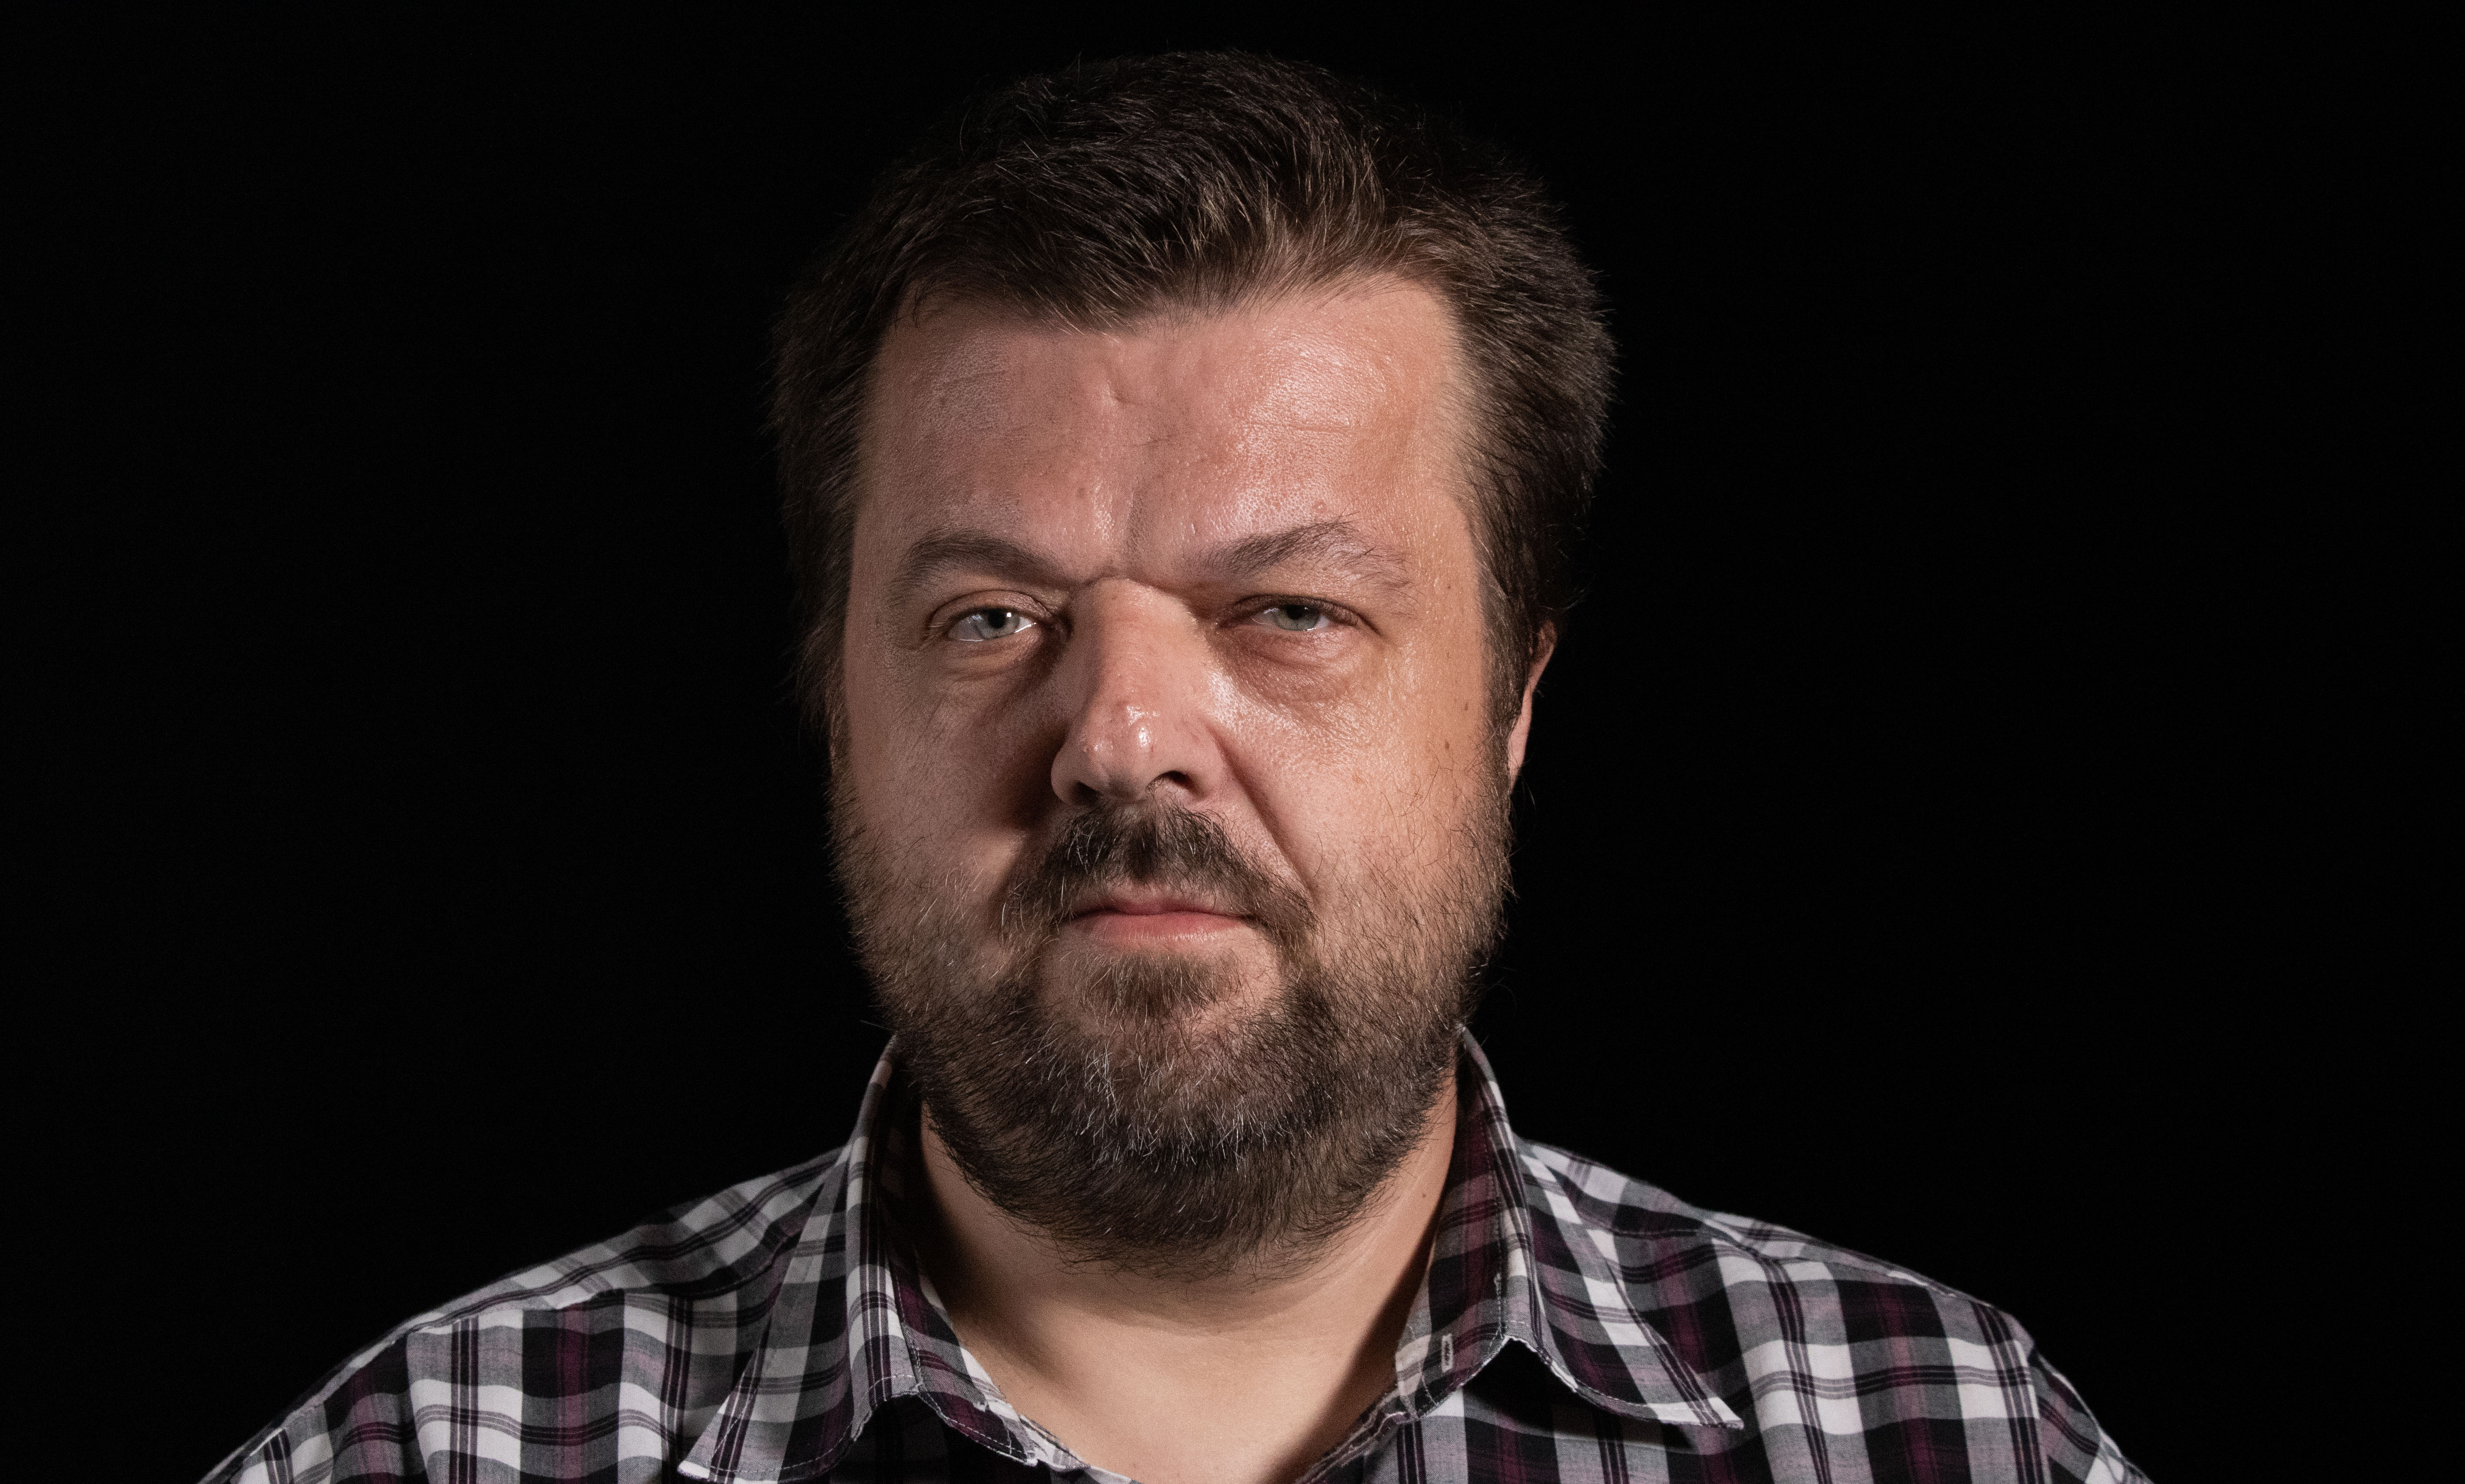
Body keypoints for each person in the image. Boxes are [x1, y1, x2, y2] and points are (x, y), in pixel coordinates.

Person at [206, 52, 2145, 1484]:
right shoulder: (426, 1453)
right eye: (992, 618)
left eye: (1290, 610)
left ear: (1514, 702)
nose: (1122, 738)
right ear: (835, 703)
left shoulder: (1943, 1436)